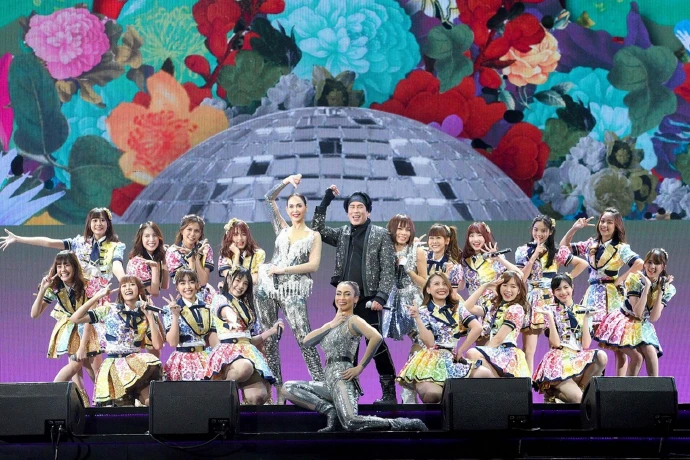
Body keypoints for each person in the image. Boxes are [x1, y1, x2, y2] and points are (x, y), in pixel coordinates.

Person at [282, 281, 427, 432]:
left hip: (343, 378)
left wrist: (360, 367)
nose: (342, 298)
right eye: (339, 294)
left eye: (347, 294)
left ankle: (401, 423)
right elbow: (306, 341)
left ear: (356, 298)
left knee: (350, 422)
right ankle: (330, 411)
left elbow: (376, 337)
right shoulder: (331, 324)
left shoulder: (354, 320)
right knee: (288, 388)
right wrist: (332, 324)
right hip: (328, 382)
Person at [312, 185, 397, 404]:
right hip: (344, 301)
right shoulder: (343, 233)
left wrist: (381, 297)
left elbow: (388, 268)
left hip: (369, 301)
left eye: (360, 207)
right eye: (352, 207)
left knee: (377, 345)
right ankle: (346, 395)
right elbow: (317, 229)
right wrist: (326, 199)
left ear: (368, 211)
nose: (356, 211)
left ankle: (389, 393)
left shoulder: (380, 234)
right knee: (345, 348)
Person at [255, 174, 324, 403]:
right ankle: (278, 392)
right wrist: (286, 181)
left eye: (299, 206)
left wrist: (283, 269)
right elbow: (268, 198)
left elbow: (313, 265)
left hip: (293, 289)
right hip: (267, 288)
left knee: (304, 338)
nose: (295, 210)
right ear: (287, 209)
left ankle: (321, 386)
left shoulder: (313, 235)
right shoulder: (282, 229)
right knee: (270, 340)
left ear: (305, 208)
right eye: (291, 206)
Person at [560, 208, 643, 375]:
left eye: (609, 222)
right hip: (592, 294)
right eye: (602, 221)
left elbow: (639, 263)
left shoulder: (620, 247)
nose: (604, 225)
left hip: (611, 297)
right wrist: (574, 229)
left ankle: (619, 383)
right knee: (583, 335)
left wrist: (622, 278)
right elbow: (564, 247)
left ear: (616, 226)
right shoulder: (591, 244)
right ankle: (587, 377)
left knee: (618, 344)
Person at [70, 276, 163, 406]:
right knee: (121, 409)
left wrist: (150, 317)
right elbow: (75, 318)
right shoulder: (109, 309)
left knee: (150, 402)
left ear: (139, 289)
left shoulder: (145, 314)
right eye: (124, 286)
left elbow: (158, 345)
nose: (128, 288)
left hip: (136, 364)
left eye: (132, 284)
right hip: (114, 366)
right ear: (120, 291)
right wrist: (97, 296)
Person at [397, 273, 490, 403]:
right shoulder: (423, 311)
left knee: (485, 374)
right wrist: (417, 318)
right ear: (428, 289)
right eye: (436, 284)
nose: (441, 287)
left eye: (444, 284)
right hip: (431, 360)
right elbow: (430, 343)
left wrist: (461, 350)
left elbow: (477, 328)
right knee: (434, 394)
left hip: (452, 359)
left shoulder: (458, 307)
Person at [515, 216, 587, 373]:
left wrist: (564, 280)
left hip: (553, 300)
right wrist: (533, 256)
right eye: (536, 230)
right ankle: (527, 383)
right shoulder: (523, 251)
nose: (539, 234)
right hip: (532, 300)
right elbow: (521, 278)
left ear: (550, 232)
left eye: (543, 230)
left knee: (557, 345)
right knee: (528, 349)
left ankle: (553, 378)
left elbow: (583, 264)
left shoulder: (556, 251)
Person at [31, 251, 101, 404]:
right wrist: (42, 289)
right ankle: (80, 404)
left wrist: (82, 347)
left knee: (95, 371)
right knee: (76, 366)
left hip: (89, 328)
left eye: (67, 265)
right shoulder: (55, 287)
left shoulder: (88, 284)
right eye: (59, 266)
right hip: (71, 329)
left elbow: (89, 318)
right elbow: (34, 314)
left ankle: (102, 404)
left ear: (74, 267)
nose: (63, 269)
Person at [205, 268, 281, 405]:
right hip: (228, 352)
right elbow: (225, 310)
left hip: (248, 350)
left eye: (245, 283)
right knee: (245, 368)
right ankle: (217, 394)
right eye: (238, 281)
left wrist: (271, 331)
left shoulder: (246, 304)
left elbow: (247, 340)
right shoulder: (220, 298)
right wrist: (231, 318)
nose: (240, 286)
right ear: (229, 280)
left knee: (259, 397)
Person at [594, 249, 674, 377]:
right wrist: (646, 287)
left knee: (651, 353)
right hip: (624, 321)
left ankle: (655, 388)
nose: (652, 267)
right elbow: (637, 312)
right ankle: (626, 389)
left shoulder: (667, 288)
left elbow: (653, 318)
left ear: (663, 266)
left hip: (642, 324)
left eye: (657, 263)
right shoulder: (635, 279)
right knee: (637, 358)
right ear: (645, 263)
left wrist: (660, 292)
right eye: (649, 262)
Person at [532, 274, 607, 403]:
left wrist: (586, 318)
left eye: (566, 287)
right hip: (560, 360)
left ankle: (581, 387)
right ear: (553, 292)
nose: (563, 292)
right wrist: (550, 317)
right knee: (579, 400)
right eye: (558, 289)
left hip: (578, 358)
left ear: (572, 287)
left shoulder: (583, 310)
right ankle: (553, 392)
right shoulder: (549, 310)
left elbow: (585, 345)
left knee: (601, 356)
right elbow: (555, 343)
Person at [383, 215, 427, 404]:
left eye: (407, 230)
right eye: (400, 229)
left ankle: (408, 388)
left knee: (423, 341)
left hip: (413, 301)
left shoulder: (417, 251)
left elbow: (425, 283)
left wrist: (408, 269)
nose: (404, 233)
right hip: (391, 302)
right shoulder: (384, 249)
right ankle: (389, 392)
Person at [457, 222, 521, 344]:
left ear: (486, 236)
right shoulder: (464, 261)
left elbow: (519, 275)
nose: (475, 239)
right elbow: (460, 286)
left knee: (494, 345)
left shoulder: (495, 257)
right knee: (480, 348)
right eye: (472, 235)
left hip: (494, 305)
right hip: (475, 306)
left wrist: (499, 258)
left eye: (479, 235)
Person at [465, 271, 531, 379]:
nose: (508, 290)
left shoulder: (516, 309)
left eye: (513, 286)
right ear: (499, 287)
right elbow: (467, 307)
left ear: (519, 290)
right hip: (495, 351)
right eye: (505, 285)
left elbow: (499, 339)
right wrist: (484, 287)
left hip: (506, 353)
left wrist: (485, 353)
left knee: (473, 354)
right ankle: (499, 385)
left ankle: (499, 384)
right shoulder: (494, 307)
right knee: (473, 368)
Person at [162, 269, 217, 381]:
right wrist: (175, 315)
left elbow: (213, 341)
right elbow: (172, 342)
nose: (187, 287)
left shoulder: (208, 308)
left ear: (197, 285)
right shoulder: (169, 309)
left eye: (191, 282)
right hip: (181, 361)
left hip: (203, 358)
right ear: (177, 287)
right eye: (182, 283)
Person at [165, 214, 215, 303]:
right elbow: (187, 283)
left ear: (200, 234)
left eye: (196, 231)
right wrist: (191, 260)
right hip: (186, 295)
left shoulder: (205, 249)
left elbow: (203, 282)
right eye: (189, 229)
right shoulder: (172, 252)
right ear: (182, 230)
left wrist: (196, 258)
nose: (192, 234)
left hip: (206, 295)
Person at [126, 221, 169, 297]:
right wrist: (154, 267)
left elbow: (164, 286)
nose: (151, 239)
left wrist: (164, 258)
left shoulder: (155, 257)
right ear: (141, 238)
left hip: (149, 302)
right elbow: (154, 293)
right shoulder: (138, 262)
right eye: (147, 236)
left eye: (155, 235)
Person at [218, 218, 266, 284]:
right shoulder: (224, 256)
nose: (240, 238)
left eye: (243, 234)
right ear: (229, 237)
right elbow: (232, 279)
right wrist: (237, 254)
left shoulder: (258, 254)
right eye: (236, 235)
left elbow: (255, 279)